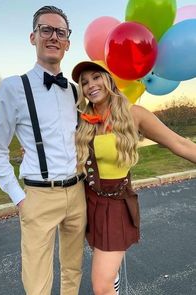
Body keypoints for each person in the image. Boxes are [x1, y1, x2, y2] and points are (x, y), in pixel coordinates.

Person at [71, 60, 196, 295]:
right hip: (87, 202)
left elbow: (178, 142)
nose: (91, 85)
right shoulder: (82, 120)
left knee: (101, 284)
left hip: (115, 205)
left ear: (109, 79)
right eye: (84, 82)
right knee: (105, 269)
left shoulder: (133, 113)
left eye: (96, 77)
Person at [0, 6, 87, 295]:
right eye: (46, 29)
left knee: (73, 270)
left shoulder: (75, 91)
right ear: (33, 37)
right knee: (37, 281)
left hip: (77, 192)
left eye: (61, 32)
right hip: (38, 196)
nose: (53, 36)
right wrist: (19, 198)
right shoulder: (13, 88)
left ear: (67, 42)